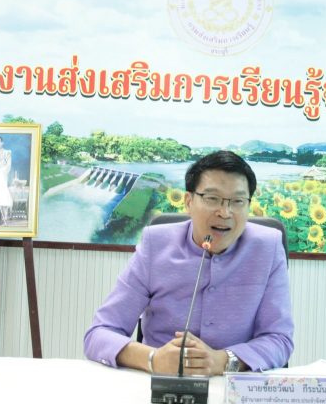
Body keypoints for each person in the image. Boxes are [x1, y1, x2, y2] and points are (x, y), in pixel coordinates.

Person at [84, 150, 293, 376]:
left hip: (232, 384)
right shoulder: (156, 244)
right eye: (212, 198)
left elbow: (279, 339)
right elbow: (99, 333)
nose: (225, 212)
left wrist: (223, 361)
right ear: (188, 201)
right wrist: (153, 359)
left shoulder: (268, 247)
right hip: (162, 382)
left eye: (237, 201)